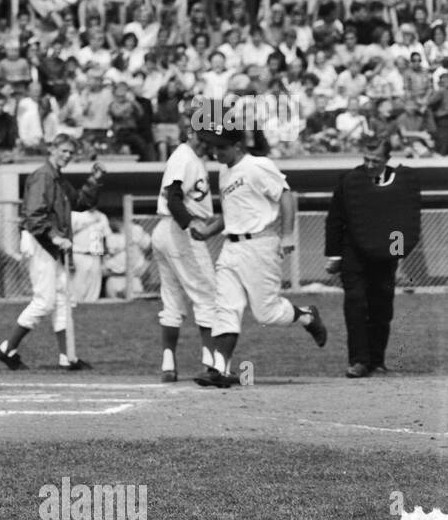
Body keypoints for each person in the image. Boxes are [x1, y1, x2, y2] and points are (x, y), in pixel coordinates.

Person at [190, 125, 327, 388]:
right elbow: (231, 212)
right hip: (231, 247)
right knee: (225, 307)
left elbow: (285, 196)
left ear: (238, 146)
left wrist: (287, 235)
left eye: (222, 147)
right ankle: (218, 369)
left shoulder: (257, 165)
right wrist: (207, 232)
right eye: (214, 147)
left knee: (267, 314)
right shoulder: (224, 171)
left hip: (260, 244)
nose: (216, 152)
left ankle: (307, 315)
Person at [0, 134, 105, 371]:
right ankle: (7, 349)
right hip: (40, 240)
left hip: (50, 242)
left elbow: (80, 203)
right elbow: (34, 214)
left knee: (63, 298)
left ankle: (68, 357)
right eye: (63, 150)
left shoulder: (57, 178)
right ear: (52, 149)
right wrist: (54, 235)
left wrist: (95, 180)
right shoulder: (43, 176)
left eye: (70, 153)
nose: (67, 156)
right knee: (45, 301)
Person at [323, 137, 422, 377]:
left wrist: (398, 259)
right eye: (366, 159)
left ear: (387, 159)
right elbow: (335, 219)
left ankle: (377, 360)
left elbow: (403, 222)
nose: (369, 165)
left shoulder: (400, 184)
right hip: (353, 253)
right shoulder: (349, 181)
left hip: (385, 255)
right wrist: (334, 255)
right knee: (355, 304)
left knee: (382, 307)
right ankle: (358, 361)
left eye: (375, 160)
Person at [151, 122, 217, 382]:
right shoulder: (183, 156)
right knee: (209, 294)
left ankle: (169, 364)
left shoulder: (192, 157)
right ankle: (212, 364)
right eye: (203, 139)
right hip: (180, 230)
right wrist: (190, 225)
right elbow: (173, 196)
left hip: (170, 231)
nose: (206, 144)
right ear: (192, 134)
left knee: (173, 299)